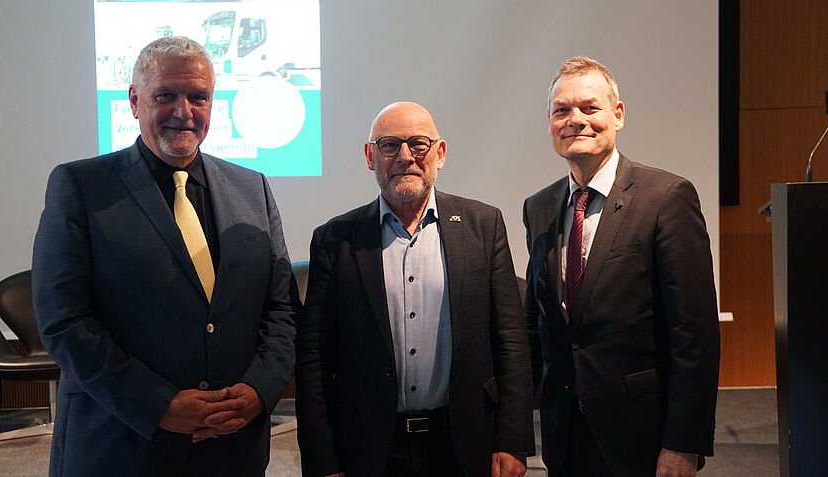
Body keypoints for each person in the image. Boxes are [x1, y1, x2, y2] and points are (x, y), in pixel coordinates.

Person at [32, 36, 299, 476]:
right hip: (122, 446)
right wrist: (158, 405)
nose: (184, 111)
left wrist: (258, 390)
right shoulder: (80, 187)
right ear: (134, 101)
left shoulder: (253, 189)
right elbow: (64, 320)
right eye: (166, 95)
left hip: (233, 450)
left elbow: (281, 308)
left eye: (199, 97)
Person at [295, 102, 535, 477]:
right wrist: (322, 459)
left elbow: (511, 341)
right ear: (370, 156)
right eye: (389, 145)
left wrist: (512, 440)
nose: (405, 156)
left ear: (439, 153)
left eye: (418, 144)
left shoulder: (483, 226)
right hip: (369, 449)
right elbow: (314, 360)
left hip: (464, 444)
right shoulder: (334, 240)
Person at [523, 56, 720, 477]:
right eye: (562, 110)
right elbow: (538, 326)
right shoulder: (538, 208)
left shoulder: (667, 197)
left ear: (618, 115)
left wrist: (683, 443)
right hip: (564, 438)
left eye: (589, 107)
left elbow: (694, 336)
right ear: (550, 122)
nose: (575, 120)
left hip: (644, 440)